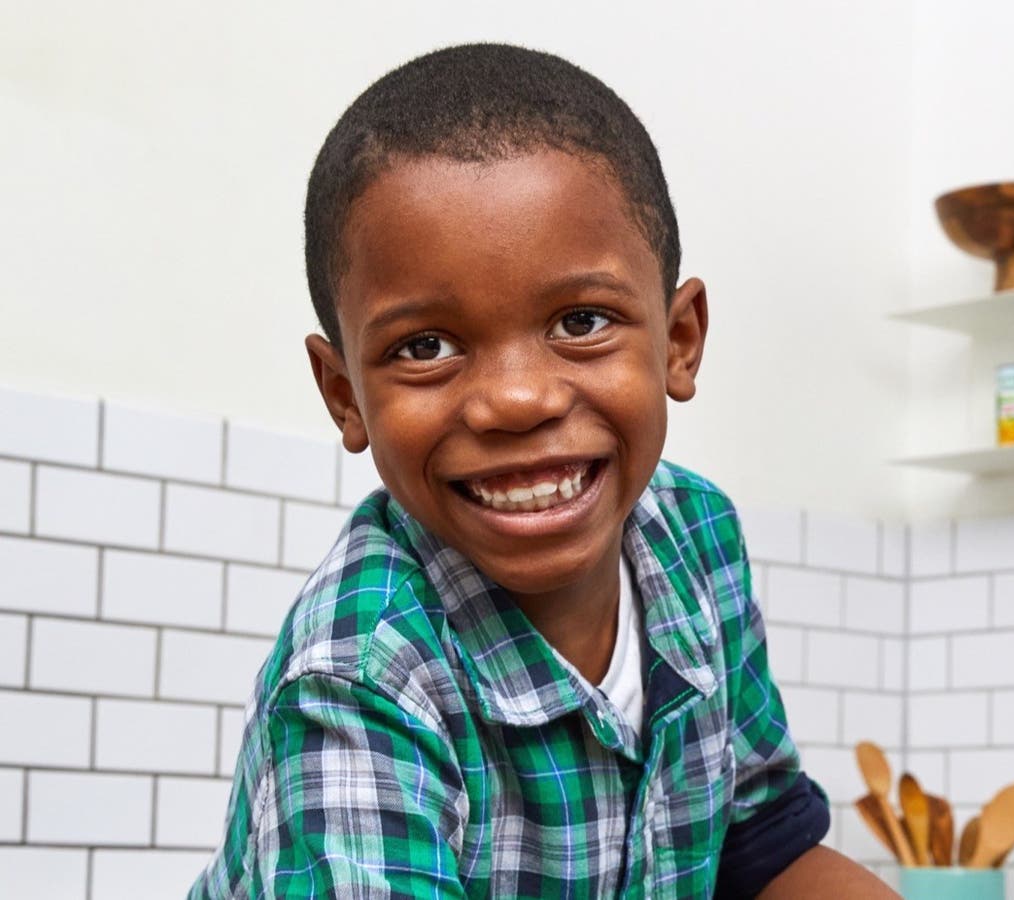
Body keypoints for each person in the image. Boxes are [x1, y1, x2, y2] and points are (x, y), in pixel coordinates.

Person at [190, 43, 899, 899]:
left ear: (678, 341)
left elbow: (766, 854)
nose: (517, 399)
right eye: (426, 347)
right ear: (345, 395)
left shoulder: (697, 541)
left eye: (582, 320)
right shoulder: (358, 679)